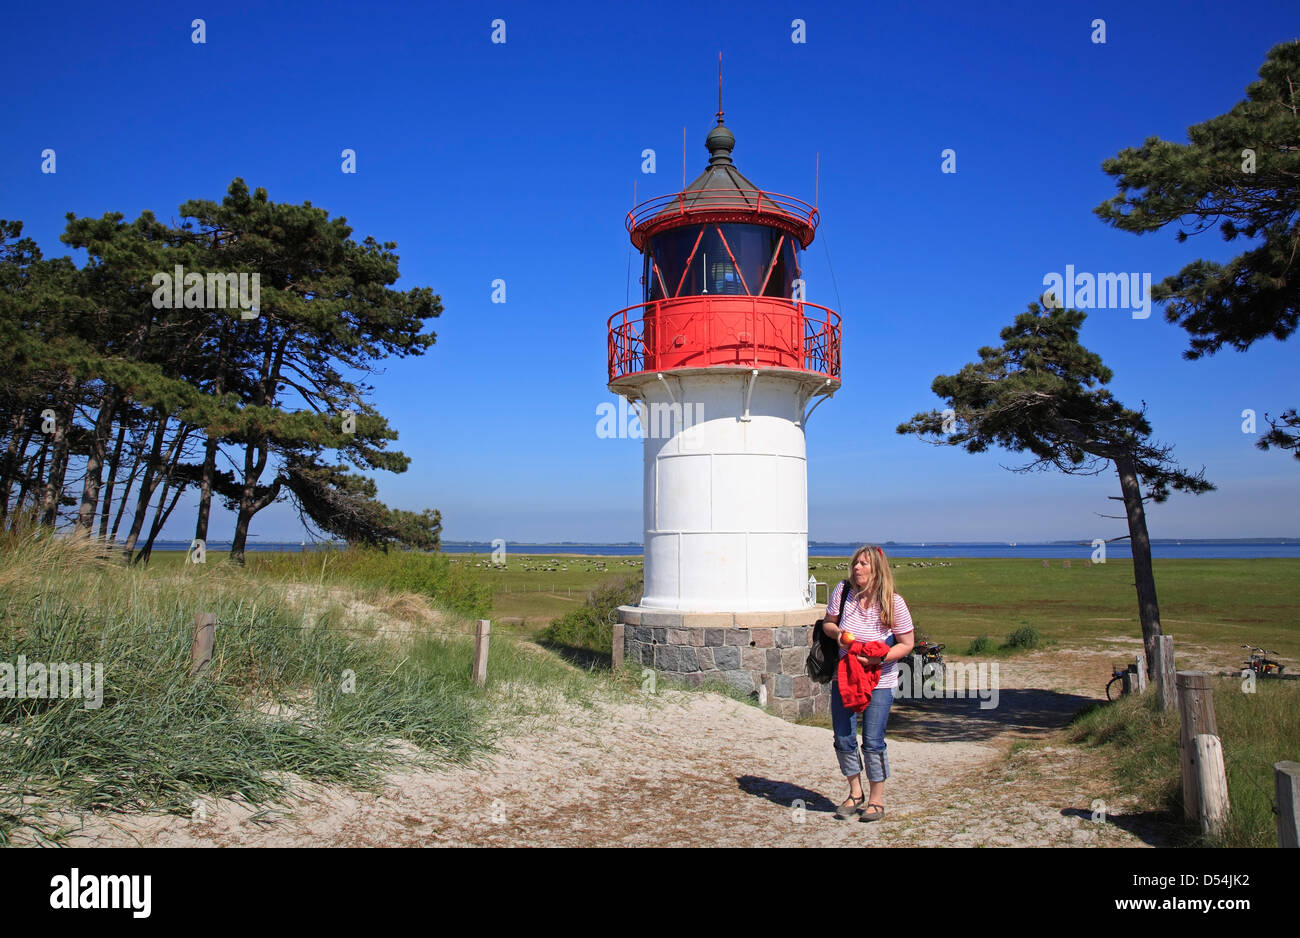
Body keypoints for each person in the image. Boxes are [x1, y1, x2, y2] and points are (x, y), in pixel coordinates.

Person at [821, 544, 914, 821]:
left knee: (873, 741)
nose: (857, 568)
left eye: (863, 564)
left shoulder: (893, 601)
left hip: (880, 680)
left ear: (877, 569)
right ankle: (854, 792)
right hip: (845, 677)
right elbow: (828, 623)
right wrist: (837, 634)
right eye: (855, 563)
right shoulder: (844, 591)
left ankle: (876, 799)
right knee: (843, 736)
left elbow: (906, 643)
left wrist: (879, 658)